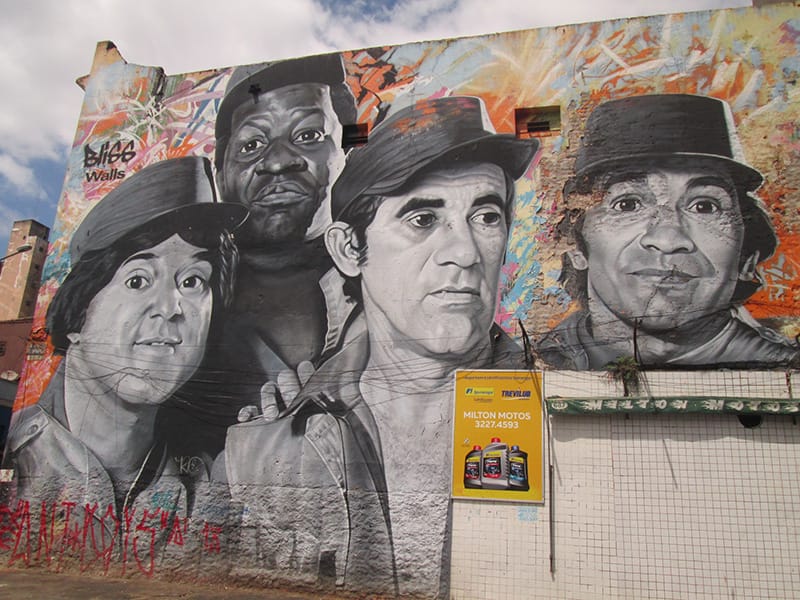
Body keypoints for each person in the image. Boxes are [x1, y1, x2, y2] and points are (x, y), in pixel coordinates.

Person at [219, 96, 539, 596]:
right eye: (422, 219)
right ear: (349, 249)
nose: (464, 253)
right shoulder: (269, 443)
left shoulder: (557, 410)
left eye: (486, 216)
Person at [4, 157, 246, 558]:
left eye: (192, 281)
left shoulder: (211, 482)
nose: (171, 308)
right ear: (78, 315)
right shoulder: (17, 460)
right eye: (138, 280)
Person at [177, 54, 359, 456]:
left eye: (309, 135)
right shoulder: (172, 309)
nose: (277, 162)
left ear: (347, 154)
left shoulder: (395, 294)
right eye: (252, 145)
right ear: (220, 173)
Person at [537, 94, 799, 369]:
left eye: (705, 206)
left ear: (746, 258)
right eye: (627, 204)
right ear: (576, 247)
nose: (667, 239)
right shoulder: (532, 362)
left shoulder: (783, 367)